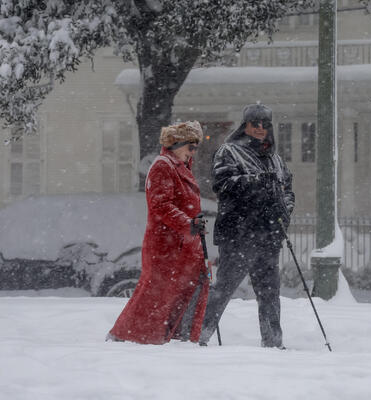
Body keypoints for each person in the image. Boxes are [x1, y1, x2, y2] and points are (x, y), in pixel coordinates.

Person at [199, 104, 295, 348]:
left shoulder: (275, 159)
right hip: (239, 234)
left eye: (265, 124)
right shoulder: (229, 152)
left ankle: (273, 342)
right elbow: (223, 185)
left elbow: (287, 190)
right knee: (224, 289)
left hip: (269, 236)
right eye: (255, 124)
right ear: (246, 125)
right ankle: (198, 335)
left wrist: (284, 212)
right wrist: (257, 182)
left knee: (270, 293)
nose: (260, 129)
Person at [107, 121, 210, 344]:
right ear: (177, 143)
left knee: (174, 294)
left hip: (181, 245)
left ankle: (167, 337)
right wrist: (188, 223)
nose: (193, 152)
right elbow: (160, 205)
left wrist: (192, 223)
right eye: (191, 147)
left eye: (196, 148)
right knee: (153, 295)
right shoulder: (163, 166)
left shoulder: (179, 166)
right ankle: (126, 337)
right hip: (166, 246)